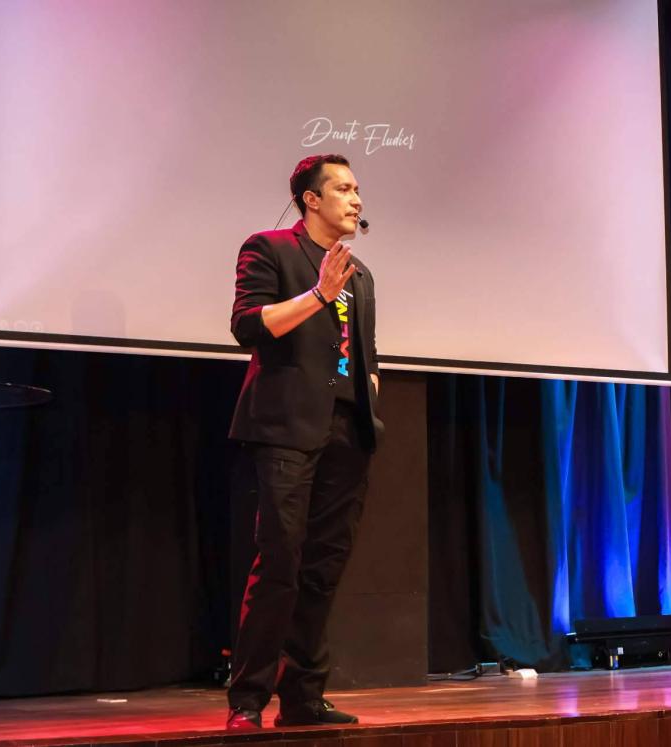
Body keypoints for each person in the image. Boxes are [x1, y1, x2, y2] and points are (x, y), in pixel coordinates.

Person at [225, 154, 383, 730]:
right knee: (280, 564)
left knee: (323, 568)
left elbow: (365, 351)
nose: (356, 199)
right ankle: (248, 699)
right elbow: (248, 325)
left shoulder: (359, 274)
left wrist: (369, 393)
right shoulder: (269, 249)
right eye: (343, 189)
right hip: (287, 428)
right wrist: (318, 294)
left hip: (347, 432)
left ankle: (303, 697)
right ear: (311, 199)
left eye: (358, 189)